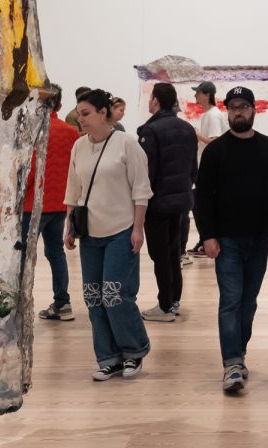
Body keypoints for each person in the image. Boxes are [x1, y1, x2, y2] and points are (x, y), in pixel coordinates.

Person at [194, 86, 268, 393]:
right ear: (227, 111)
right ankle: (232, 362)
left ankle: (238, 354)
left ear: (253, 110)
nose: (238, 111)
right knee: (231, 301)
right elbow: (203, 196)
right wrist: (208, 236)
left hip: (258, 238)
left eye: (243, 106)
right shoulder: (216, 151)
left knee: (249, 302)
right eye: (233, 107)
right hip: (226, 238)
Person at [64, 89, 153, 381]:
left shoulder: (127, 144)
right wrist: (69, 225)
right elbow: (73, 190)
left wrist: (138, 229)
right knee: (93, 297)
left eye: (86, 113)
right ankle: (108, 357)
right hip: (90, 233)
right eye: (79, 113)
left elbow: (141, 190)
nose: (81, 119)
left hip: (121, 229)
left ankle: (134, 350)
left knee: (115, 294)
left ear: (104, 113)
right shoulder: (78, 147)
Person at [137, 82, 198, 322]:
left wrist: (141, 201)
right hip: (181, 199)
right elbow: (193, 168)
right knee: (174, 251)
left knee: (160, 254)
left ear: (156, 101)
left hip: (158, 202)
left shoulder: (149, 131)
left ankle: (164, 306)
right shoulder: (187, 129)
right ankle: (173, 300)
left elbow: (147, 172)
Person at [21, 89, 80, 321]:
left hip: (32, 206)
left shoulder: (33, 131)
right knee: (56, 253)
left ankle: (20, 305)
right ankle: (62, 303)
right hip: (61, 204)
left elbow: (30, 170)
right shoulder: (71, 132)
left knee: (24, 256)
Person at [183, 81, 228, 263]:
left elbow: (215, 142)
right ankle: (204, 241)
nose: (195, 97)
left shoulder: (213, 116)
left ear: (206, 94)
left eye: (198, 93)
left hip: (209, 170)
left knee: (200, 205)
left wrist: (195, 134)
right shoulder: (209, 115)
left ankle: (206, 242)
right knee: (199, 205)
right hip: (204, 168)